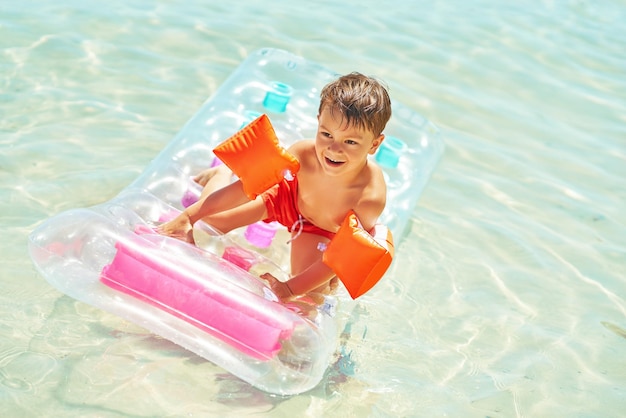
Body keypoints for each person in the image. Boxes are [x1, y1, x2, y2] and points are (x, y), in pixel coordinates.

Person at [157, 72, 392, 301]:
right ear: (318, 121)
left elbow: (343, 255)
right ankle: (222, 171)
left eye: (350, 142)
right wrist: (190, 216)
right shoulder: (302, 153)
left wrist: (290, 288)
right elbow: (248, 187)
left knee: (312, 295)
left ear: (374, 144)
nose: (334, 148)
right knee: (212, 222)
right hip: (285, 199)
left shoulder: (370, 197)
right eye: (326, 134)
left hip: (322, 229)